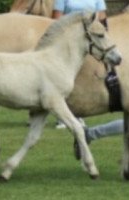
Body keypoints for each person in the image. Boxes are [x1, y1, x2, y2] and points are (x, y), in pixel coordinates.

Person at [51, 0, 108, 129]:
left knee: (81, 79)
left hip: (89, 42)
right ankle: (62, 118)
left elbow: (102, 17)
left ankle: (77, 115)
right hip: (67, 41)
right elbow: (56, 19)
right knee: (63, 79)